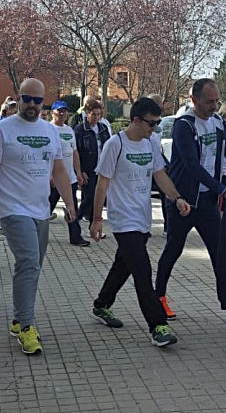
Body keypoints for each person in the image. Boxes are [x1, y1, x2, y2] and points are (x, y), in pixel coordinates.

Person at [0, 78, 79, 356]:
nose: (32, 105)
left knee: (32, 267)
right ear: (17, 98)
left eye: (37, 100)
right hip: (13, 210)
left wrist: (70, 204)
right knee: (29, 261)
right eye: (27, 99)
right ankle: (27, 327)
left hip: (40, 210)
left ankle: (19, 317)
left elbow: (59, 170)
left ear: (44, 102)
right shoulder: (0, 130)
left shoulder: (50, 131)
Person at [155, 78, 226, 326]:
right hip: (183, 201)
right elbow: (192, 166)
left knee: (221, 254)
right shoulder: (184, 125)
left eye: (217, 101)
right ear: (194, 100)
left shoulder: (217, 122)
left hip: (207, 203)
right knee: (173, 249)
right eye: (209, 102)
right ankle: (158, 297)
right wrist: (225, 191)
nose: (214, 106)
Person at [89, 97, 188, 347]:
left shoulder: (151, 143)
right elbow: (102, 184)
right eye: (151, 123)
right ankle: (158, 325)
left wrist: (176, 198)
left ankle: (101, 304)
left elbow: (159, 174)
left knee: (123, 264)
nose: (154, 128)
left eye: (157, 124)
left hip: (143, 218)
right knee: (142, 271)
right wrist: (97, 219)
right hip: (123, 219)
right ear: (136, 120)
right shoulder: (115, 144)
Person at [47, 100, 87, 247]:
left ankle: (76, 237)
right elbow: (47, 155)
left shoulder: (69, 130)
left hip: (69, 178)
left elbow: (74, 152)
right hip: (54, 179)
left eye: (64, 111)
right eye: (59, 111)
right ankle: (37, 233)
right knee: (47, 208)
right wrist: (50, 175)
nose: (62, 114)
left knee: (72, 207)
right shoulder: (48, 129)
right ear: (52, 113)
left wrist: (78, 172)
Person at [73, 99, 109, 242]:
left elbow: (108, 146)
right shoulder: (80, 130)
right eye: (93, 114)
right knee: (89, 198)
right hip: (88, 169)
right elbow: (77, 151)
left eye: (99, 114)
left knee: (97, 198)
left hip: (101, 168)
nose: (96, 117)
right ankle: (76, 218)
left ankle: (91, 225)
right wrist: (80, 171)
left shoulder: (103, 128)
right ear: (87, 113)